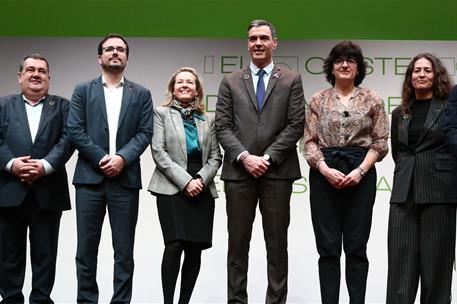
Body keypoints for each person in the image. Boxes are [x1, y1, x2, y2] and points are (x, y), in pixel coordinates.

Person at [215, 19, 305, 304]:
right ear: (247, 43)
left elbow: (295, 124)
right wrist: (245, 157)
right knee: (237, 247)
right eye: (253, 38)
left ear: (274, 43)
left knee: (277, 246)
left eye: (263, 38)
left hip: (277, 172)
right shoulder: (230, 80)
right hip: (239, 173)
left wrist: (266, 158)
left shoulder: (291, 79)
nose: (258, 43)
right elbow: (223, 126)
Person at [67, 34, 153, 303]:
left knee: (124, 253)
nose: (115, 53)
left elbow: (144, 132)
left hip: (125, 180)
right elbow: (75, 130)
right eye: (109, 49)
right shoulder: (83, 90)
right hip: (89, 180)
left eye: (120, 49)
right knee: (85, 251)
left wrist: (122, 158)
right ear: (99, 56)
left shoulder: (141, 93)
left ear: (126, 56)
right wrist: (103, 158)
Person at [303, 41, 389, 304]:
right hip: (324, 171)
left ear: (358, 67)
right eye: (339, 60)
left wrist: (361, 171)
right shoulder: (318, 99)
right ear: (331, 67)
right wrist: (325, 169)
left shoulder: (372, 98)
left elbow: (381, 142)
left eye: (351, 60)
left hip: (361, 173)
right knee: (328, 248)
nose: (344, 64)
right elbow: (309, 142)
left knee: (356, 247)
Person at [0, 54, 72, 303]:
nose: (36, 74)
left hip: (48, 192)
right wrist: (13, 165)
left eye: (42, 70)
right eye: (30, 69)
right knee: (8, 255)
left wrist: (43, 166)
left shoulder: (63, 106)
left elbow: (67, 140)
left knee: (45, 256)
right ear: (20, 76)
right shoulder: (2, 105)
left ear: (49, 78)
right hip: (9, 191)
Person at [148, 67, 222, 304]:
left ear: (197, 89)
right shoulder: (160, 113)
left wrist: (199, 179)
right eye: (180, 82)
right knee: (175, 244)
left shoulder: (208, 119)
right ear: (172, 88)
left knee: (194, 248)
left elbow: (215, 156)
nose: (185, 85)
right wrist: (185, 181)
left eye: (190, 82)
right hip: (172, 186)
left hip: (202, 186)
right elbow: (159, 152)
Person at [388, 53, 455, 304]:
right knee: (400, 267)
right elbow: (399, 152)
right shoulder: (400, 112)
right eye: (416, 70)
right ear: (410, 77)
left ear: (436, 75)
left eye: (427, 70)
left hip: (440, 192)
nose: (422, 74)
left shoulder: (449, 108)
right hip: (404, 192)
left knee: (436, 266)